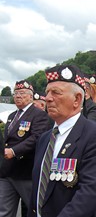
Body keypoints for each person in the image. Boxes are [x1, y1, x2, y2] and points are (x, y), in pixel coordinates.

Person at [28, 64, 96, 216]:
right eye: (47, 92)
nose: (48, 98)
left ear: (77, 99)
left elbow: (90, 193)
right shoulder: (45, 138)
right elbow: (37, 191)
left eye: (56, 92)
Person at [0, 80, 49, 217]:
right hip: (7, 171)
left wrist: (14, 151)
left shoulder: (39, 114)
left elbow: (36, 138)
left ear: (30, 96)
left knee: (34, 210)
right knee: (4, 211)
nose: (18, 96)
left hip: (26, 172)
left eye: (22, 93)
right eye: (15, 93)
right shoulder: (11, 116)